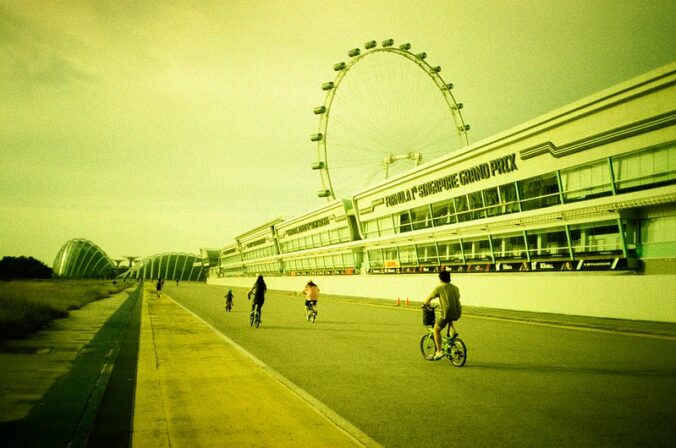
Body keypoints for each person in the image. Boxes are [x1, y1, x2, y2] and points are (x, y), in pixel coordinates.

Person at [422, 270, 461, 360]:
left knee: (436, 330)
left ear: (440, 279)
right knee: (449, 319)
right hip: (457, 311)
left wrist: (424, 304)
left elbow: (429, 297)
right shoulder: (455, 288)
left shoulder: (439, 288)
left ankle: (439, 351)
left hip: (445, 313)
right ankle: (453, 331)